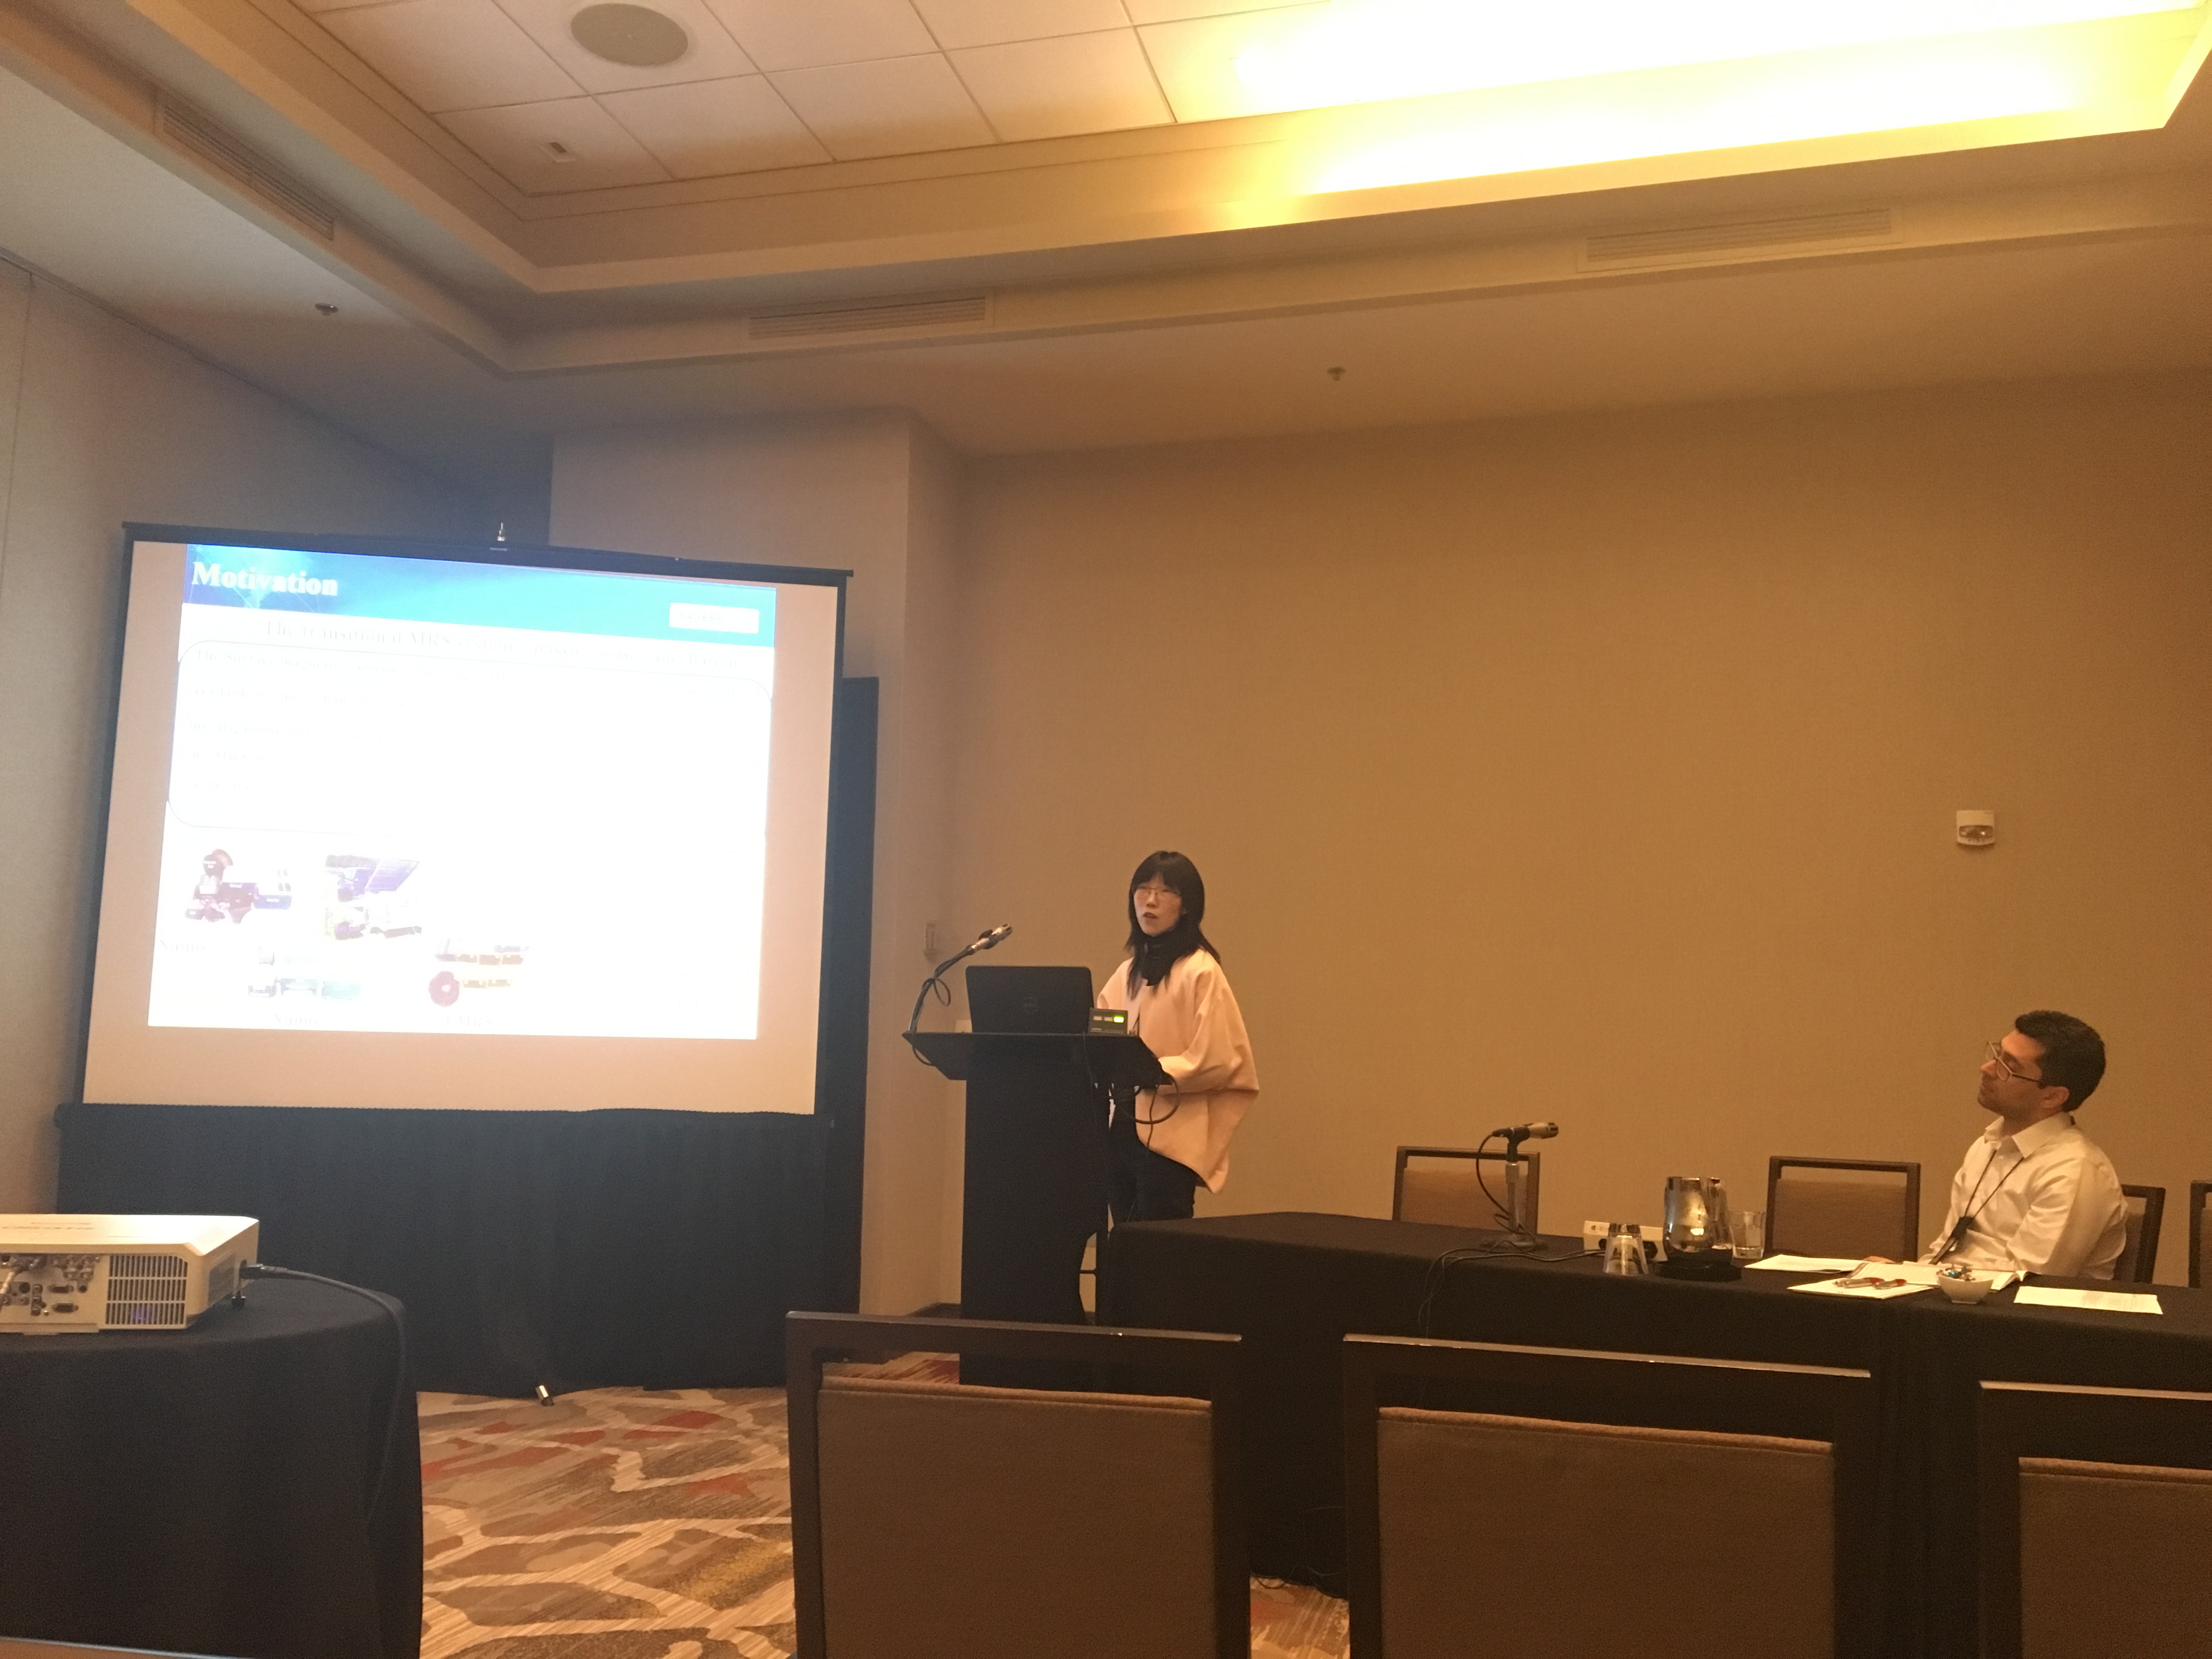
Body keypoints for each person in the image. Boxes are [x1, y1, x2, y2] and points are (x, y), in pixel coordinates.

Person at [1096, 851, 1258, 1223]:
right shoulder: (1126, 974)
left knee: (1162, 1248)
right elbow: (1104, 1036)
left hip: (1170, 1138)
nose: (1150, 901)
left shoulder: (1201, 971)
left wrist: (1150, 1071)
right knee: (1123, 1244)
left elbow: (1218, 1058)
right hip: (1121, 1130)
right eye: (1143, 889)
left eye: (1165, 891)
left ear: (1187, 906)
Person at [1921, 1010, 2128, 1279]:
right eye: (1997, 1055)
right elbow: (1946, 1250)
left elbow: (2028, 1279)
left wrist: (1928, 1280)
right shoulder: (1987, 1145)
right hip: (1953, 1294)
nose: (1987, 1069)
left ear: (2052, 1097)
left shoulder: (2074, 1171)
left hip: (2019, 1304)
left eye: (2008, 1067)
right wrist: (1901, 1275)